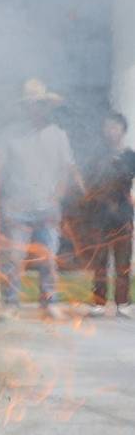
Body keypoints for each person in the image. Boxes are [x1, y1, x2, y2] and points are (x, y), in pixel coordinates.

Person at [0, 78, 84, 318]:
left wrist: (57, 197)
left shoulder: (58, 135)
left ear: (48, 107)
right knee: (15, 258)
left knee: (49, 259)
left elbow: (66, 169)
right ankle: (11, 304)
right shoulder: (10, 135)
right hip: (18, 207)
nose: (37, 108)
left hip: (47, 207)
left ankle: (50, 302)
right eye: (32, 104)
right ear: (25, 107)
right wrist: (2, 199)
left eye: (41, 104)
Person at [84, 111, 135, 318]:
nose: (110, 131)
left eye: (114, 127)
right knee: (100, 261)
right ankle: (98, 302)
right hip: (100, 215)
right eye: (107, 127)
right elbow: (89, 184)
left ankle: (122, 303)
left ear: (123, 130)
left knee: (123, 262)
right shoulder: (97, 156)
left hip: (123, 216)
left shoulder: (130, 156)